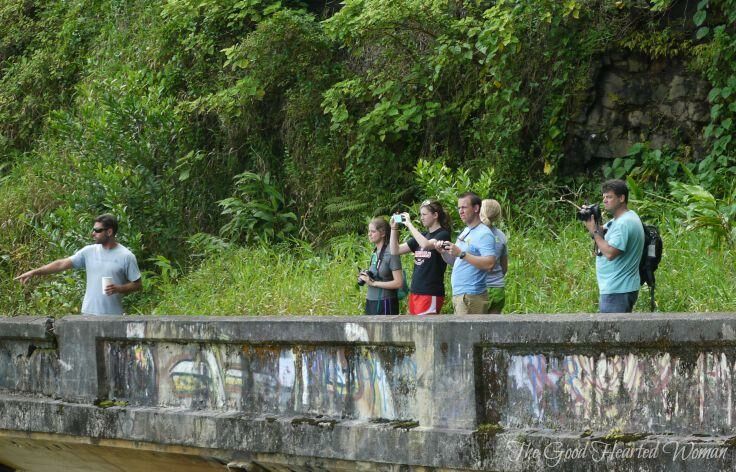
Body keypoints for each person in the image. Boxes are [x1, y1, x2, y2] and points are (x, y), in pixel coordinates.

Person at [15, 214, 142, 315]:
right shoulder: (88, 251)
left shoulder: (126, 256)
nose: (93, 233)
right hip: (87, 314)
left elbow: (137, 284)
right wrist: (34, 272)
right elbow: (61, 264)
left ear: (109, 232)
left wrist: (119, 289)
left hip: (113, 316)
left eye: (97, 230)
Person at [582, 179, 644, 313]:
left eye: (609, 197)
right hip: (617, 288)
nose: (605, 200)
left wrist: (594, 231)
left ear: (621, 198)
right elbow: (602, 234)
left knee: (611, 333)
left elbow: (610, 253)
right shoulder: (622, 218)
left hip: (618, 290)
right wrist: (593, 218)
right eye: (604, 197)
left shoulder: (624, 224)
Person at [435, 192, 496, 315]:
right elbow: (456, 261)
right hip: (461, 294)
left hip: (471, 296)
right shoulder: (465, 231)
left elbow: (490, 264)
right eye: (459, 208)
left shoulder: (484, 234)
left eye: (464, 207)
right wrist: (443, 253)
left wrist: (462, 254)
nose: (460, 211)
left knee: (468, 335)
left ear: (476, 208)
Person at [389, 200, 452, 315]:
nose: (421, 218)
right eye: (420, 215)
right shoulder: (423, 235)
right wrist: (394, 229)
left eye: (424, 214)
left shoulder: (443, 234)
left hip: (430, 292)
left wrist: (409, 224)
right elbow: (395, 250)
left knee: (425, 330)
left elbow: (426, 245)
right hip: (415, 291)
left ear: (435, 215)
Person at [358, 217, 404, 315]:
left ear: (383, 234)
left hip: (385, 302)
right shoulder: (375, 251)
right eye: (369, 231)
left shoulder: (391, 252)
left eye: (373, 231)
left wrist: (374, 283)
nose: (369, 234)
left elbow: (399, 283)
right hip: (371, 300)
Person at [480, 199, 508, 314]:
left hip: (479, 289)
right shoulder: (501, 236)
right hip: (498, 288)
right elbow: (504, 267)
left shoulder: (476, 234)